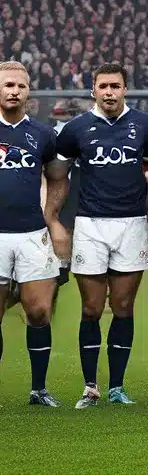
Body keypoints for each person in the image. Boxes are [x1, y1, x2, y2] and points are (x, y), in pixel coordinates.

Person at [55, 63, 148, 408]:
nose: (110, 92)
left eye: (115, 86)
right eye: (103, 86)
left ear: (125, 89)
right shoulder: (75, 129)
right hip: (90, 225)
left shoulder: (147, 126)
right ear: (93, 90)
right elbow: (59, 175)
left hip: (131, 224)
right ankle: (90, 387)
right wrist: (56, 219)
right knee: (90, 307)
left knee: (123, 305)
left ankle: (117, 386)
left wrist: (144, 209)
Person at [0, 60, 69, 406]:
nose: (14, 91)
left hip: (31, 233)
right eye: (8, 84)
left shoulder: (42, 134)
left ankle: (39, 389)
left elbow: (57, 177)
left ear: (29, 92)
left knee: (40, 311)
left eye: (20, 86)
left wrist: (51, 216)